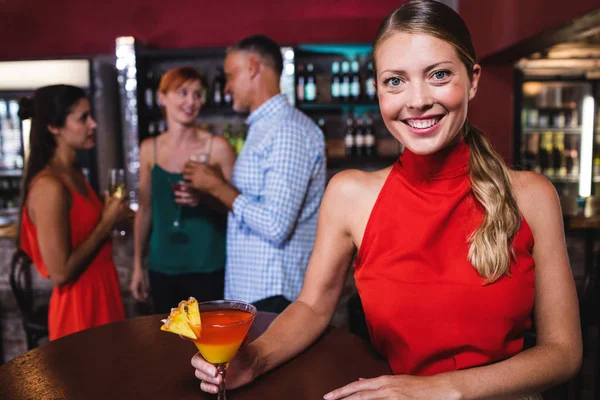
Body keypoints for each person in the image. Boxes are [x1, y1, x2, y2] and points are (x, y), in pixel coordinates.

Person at [191, 1, 582, 398]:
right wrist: (253, 360)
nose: (416, 101)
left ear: (474, 79)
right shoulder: (350, 194)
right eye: (395, 81)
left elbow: (563, 351)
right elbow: (311, 307)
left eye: (439, 75)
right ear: (377, 88)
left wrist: (439, 390)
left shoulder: (531, 196)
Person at [183, 35, 326, 314]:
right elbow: (251, 211)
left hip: (275, 292)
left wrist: (218, 187)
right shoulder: (265, 127)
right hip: (255, 290)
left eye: (230, 75)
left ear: (252, 67)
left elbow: (275, 225)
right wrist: (209, 194)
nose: (226, 87)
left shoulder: (287, 130)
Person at [17, 85, 127, 341]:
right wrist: (106, 223)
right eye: (83, 118)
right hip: (79, 308)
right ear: (55, 127)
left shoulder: (74, 173)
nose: (94, 124)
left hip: (103, 293)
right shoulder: (49, 186)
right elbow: (60, 273)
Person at [129, 66, 236, 314]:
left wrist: (205, 199)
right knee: (169, 343)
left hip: (208, 264)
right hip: (162, 266)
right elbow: (144, 210)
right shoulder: (149, 149)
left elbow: (237, 208)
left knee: (209, 344)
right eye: (183, 92)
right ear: (162, 98)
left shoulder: (217, 148)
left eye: (198, 94)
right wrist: (138, 266)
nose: (191, 101)